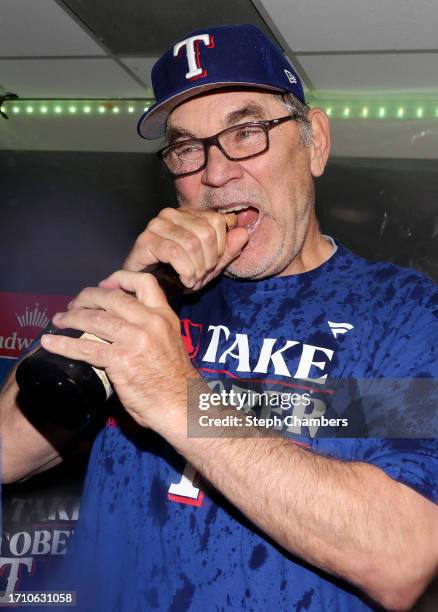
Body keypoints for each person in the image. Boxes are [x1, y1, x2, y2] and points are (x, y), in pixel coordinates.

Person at [1, 24, 437, 611]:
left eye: (246, 132)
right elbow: (5, 450)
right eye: (187, 147)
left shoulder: (403, 311)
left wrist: (178, 398)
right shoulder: (155, 292)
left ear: (315, 144)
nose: (215, 172)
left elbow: (402, 556)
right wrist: (129, 285)